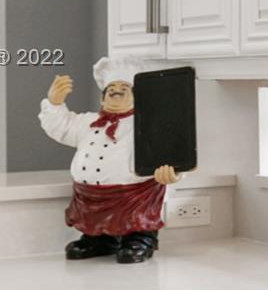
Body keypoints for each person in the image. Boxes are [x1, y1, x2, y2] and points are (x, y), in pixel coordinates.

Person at [39, 58, 180, 263]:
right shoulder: (87, 122)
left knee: (136, 221)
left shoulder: (147, 125)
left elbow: (170, 150)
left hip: (134, 196)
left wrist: (172, 171)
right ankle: (99, 240)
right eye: (111, 87)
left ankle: (140, 239)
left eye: (124, 87)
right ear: (102, 98)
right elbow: (60, 126)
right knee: (93, 221)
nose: (116, 90)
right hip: (88, 196)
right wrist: (55, 103)